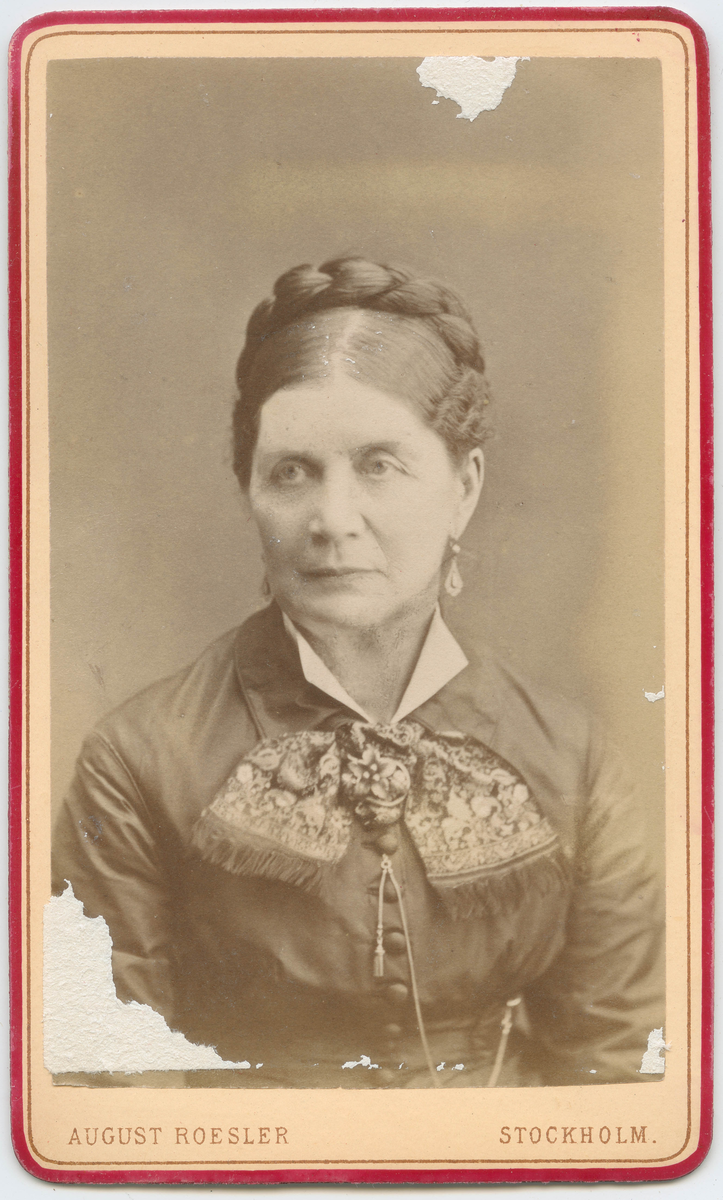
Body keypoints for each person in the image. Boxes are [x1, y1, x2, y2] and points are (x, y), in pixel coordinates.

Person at [52, 257, 663, 1089]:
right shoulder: (139, 757)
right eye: (291, 472)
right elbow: (105, 1081)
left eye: (379, 465)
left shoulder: (569, 757)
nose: (331, 520)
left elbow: (616, 1069)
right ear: (249, 492)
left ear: (463, 487)